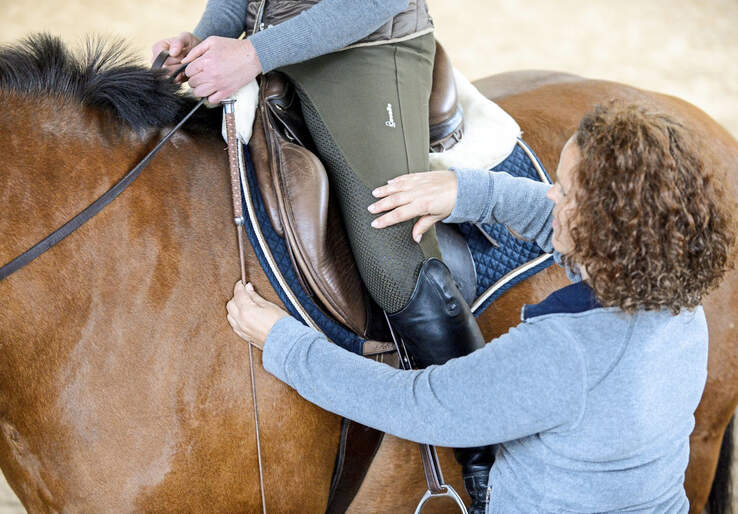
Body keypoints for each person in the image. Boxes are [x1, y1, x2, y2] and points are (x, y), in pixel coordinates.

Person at [226, 102, 736, 512]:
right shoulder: (677, 303)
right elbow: (551, 218)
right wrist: (468, 191)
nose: (550, 195)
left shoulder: (565, 351)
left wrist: (285, 344)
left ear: (604, 223)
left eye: (566, 190)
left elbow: (420, 404)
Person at [153, 1, 495, 508]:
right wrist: (203, 45)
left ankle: (485, 461)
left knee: (392, 259)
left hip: (365, 45)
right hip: (258, 45)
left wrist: (253, 53)